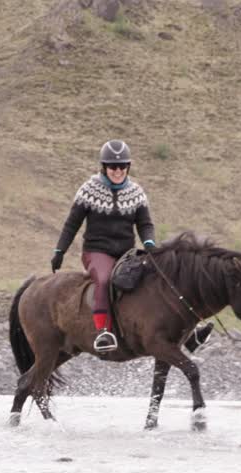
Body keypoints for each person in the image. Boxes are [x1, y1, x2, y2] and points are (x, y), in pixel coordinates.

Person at [51, 140, 158, 353]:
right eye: (112, 167)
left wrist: (149, 243)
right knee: (105, 279)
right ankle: (103, 333)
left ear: (128, 167)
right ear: (103, 167)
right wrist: (59, 251)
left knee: (156, 274)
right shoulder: (89, 190)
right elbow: (72, 224)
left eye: (122, 167)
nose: (117, 171)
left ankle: (182, 332)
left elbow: (145, 224)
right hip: (96, 252)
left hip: (127, 252)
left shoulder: (136, 192)